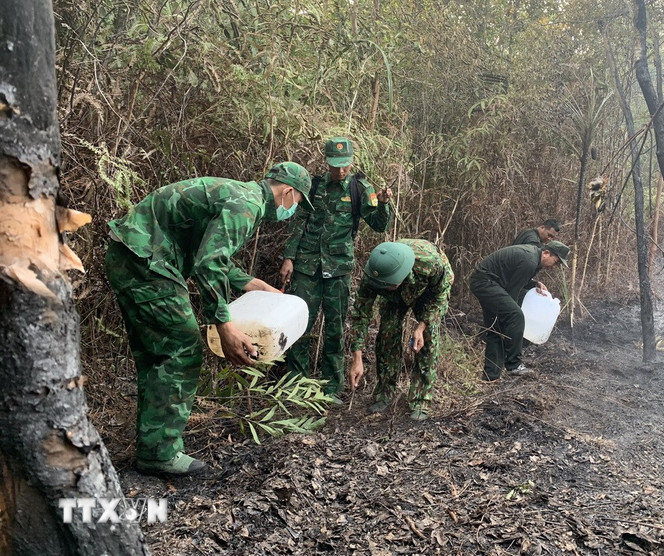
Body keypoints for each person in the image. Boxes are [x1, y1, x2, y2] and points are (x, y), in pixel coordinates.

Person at [105, 162, 313, 477]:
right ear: (287, 192)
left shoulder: (241, 196)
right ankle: (159, 453)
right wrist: (223, 324)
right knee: (182, 350)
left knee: (158, 354)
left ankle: (153, 447)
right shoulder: (246, 206)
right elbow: (208, 264)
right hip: (148, 264)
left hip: (131, 256)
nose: (293, 209)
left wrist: (253, 284)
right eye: (297, 201)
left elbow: (207, 254)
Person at [280, 137, 393, 403]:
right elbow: (299, 221)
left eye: (344, 165)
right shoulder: (314, 186)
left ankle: (331, 388)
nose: (340, 170)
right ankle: (297, 387)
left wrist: (383, 203)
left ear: (351, 161)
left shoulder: (360, 188)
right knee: (299, 324)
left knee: (335, 329)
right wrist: (289, 257)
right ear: (327, 161)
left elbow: (378, 225)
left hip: (339, 269)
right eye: (335, 165)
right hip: (307, 265)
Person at [347, 239, 453, 421]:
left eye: (389, 284)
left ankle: (421, 400)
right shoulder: (373, 274)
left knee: (427, 339)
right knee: (387, 335)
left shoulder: (430, 263)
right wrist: (357, 357)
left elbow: (441, 295)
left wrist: (421, 326)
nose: (386, 287)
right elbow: (360, 314)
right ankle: (384, 393)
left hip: (426, 291)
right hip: (394, 299)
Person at [470, 240, 570, 381]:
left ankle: (490, 377)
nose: (555, 266)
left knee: (495, 329)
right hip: (486, 283)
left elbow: (514, 277)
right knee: (516, 315)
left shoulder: (533, 258)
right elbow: (513, 291)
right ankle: (514, 365)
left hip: (486, 282)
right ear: (547, 253)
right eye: (556, 262)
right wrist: (511, 322)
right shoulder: (530, 261)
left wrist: (534, 284)